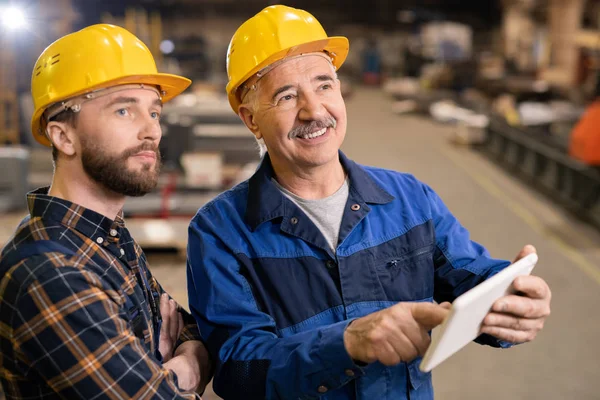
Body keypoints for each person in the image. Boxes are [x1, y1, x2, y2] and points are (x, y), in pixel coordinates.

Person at [186, 5, 552, 400]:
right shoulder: (221, 232)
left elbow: (469, 275)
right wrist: (345, 343)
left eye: (324, 85)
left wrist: (508, 297)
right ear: (251, 118)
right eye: (287, 96)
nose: (314, 111)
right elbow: (238, 370)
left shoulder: (409, 200)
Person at [0, 24, 212, 399]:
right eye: (124, 110)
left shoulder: (104, 236)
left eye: (154, 112)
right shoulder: (50, 272)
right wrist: (182, 373)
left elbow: (192, 331)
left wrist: (184, 358)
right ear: (63, 136)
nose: (151, 131)